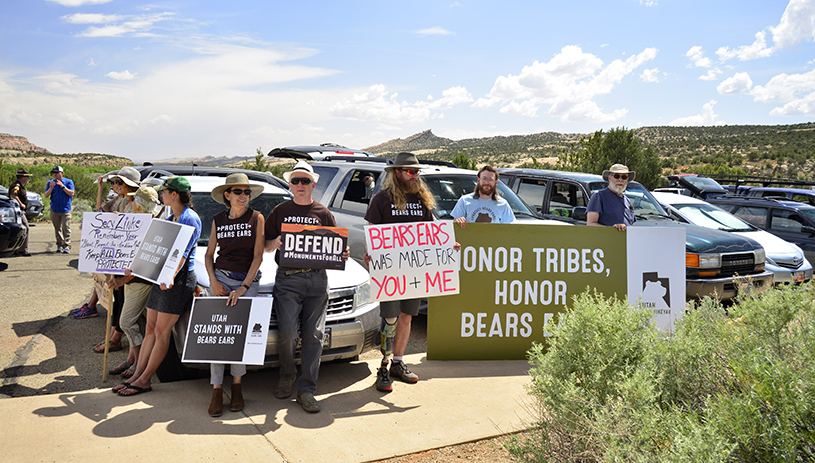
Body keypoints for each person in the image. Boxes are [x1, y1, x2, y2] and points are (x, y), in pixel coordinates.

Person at [265, 161, 349, 413]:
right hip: (288, 279)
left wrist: (343, 253)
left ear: (313, 184)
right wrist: (275, 242)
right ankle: (287, 373)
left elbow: (336, 247)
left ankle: (307, 389)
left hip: (317, 280)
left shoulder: (324, 213)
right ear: (289, 185)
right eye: (295, 181)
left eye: (304, 181)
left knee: (314, 335)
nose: (299, 185)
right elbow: (265, 245)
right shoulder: (279, 211)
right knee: (289, 332)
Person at [114, 176, 201, 397]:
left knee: (162, 332)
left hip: (177, 281)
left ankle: (144, 380)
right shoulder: (172, 216)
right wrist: (135, 269)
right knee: (150, 329)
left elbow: (181, 253)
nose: (161, 194)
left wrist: (170, 276)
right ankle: (137, 376)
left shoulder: (190, 218)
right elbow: (157, 249)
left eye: (164, 191)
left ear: (175, 194)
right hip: (161, 278)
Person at [363, 152, 434, 393]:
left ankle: (398, 362)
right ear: (397, 173)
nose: (415, 176)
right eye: (410, 171)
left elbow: (432, 234)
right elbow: (372, 233)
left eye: (417, 172)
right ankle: (383, 366)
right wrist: (371, 255)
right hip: (389, 270)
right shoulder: (381, 199)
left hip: (414, 269)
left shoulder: (422, 199)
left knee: (407, 316)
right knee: (390, 319)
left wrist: (447, 247)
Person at [204, 173, 265, 417]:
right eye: (238, 192)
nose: (243, 196)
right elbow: (209, 254)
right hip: (221, 279)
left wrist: (243, 288)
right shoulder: (218, 219)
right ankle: (217, 389)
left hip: (247, 281)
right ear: (227, 195)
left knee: (240, 337)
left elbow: (258, 257)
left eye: (247, 192)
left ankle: (237, 387)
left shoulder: (257, 218)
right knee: (219, 336)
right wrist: (213, 280)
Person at [106, 186, 164, 380]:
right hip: (132, 279)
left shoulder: (151, 225)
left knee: (127, 321)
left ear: (140, 205)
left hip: (139, 280)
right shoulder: (139, 220)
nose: (131, 204)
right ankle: (132, 359)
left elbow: (144, 265)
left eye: (134, 201)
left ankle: (139, 361)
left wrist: (123, 279)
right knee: (134, 320)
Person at [586, 164, 636, 231]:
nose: (620, 180)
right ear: (610, 178)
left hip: (626, 240)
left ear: (627, 179)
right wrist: (612, 230)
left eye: (624, 177)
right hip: (607, 240)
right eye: (616, 176)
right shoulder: (599, 196)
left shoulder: (627, 200)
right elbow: (591, 224)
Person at [43, 165, 75, 253]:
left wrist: (62, 186)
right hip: (55, 209)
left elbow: (72, 193)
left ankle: (67, 245)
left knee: (66, 227)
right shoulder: (50, 182)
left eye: (57, 173)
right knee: (57, 228)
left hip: (65, 209)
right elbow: (46, 195)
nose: (55, 174)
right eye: (54, 173)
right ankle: (59, 245)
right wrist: (51, 188)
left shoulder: (68, 181)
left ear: (62, 173)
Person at [9, 168, 32, 257]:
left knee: (19, 229)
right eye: (27, 177)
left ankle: (16, 249)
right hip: (18, 211)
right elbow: (13, 195)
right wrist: (21, 204)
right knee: (26, 228)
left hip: (17, 211)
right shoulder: (17, 186)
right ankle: (22, 250)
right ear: (22, 177)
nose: (27, 179)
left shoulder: (18, 185)